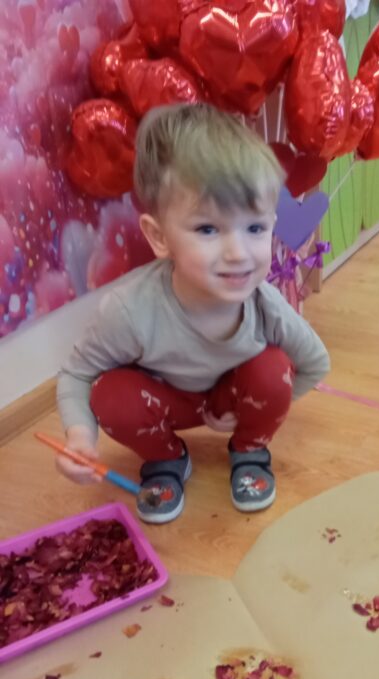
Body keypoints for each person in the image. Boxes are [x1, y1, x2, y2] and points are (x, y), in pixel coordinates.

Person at [56, 103, 330, 524]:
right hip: (166, 403)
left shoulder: (266, 304)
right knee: (108, 394)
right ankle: (166, 459)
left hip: (229, 398)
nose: (238, 253)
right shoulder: (129, 310)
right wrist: (79, 435)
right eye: (207, 229)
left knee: (274, 369)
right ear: (159, 237)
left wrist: (251, 416)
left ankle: (250, 451)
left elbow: (315, 364)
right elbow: (77, 374)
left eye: (255, 228)